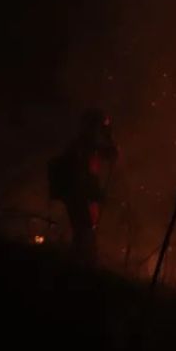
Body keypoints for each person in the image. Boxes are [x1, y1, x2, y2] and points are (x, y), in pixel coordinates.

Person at [48, 108, 119, 266]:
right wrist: (96, 194)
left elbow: (110, 154)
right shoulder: (82, 147)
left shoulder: (87, 145)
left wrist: (109, 135)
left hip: (78, 194)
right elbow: (82, 177)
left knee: (85, 231)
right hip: (76, 194)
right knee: (84, 231)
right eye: (99, 127)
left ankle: (80, 263)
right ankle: (79, 265)